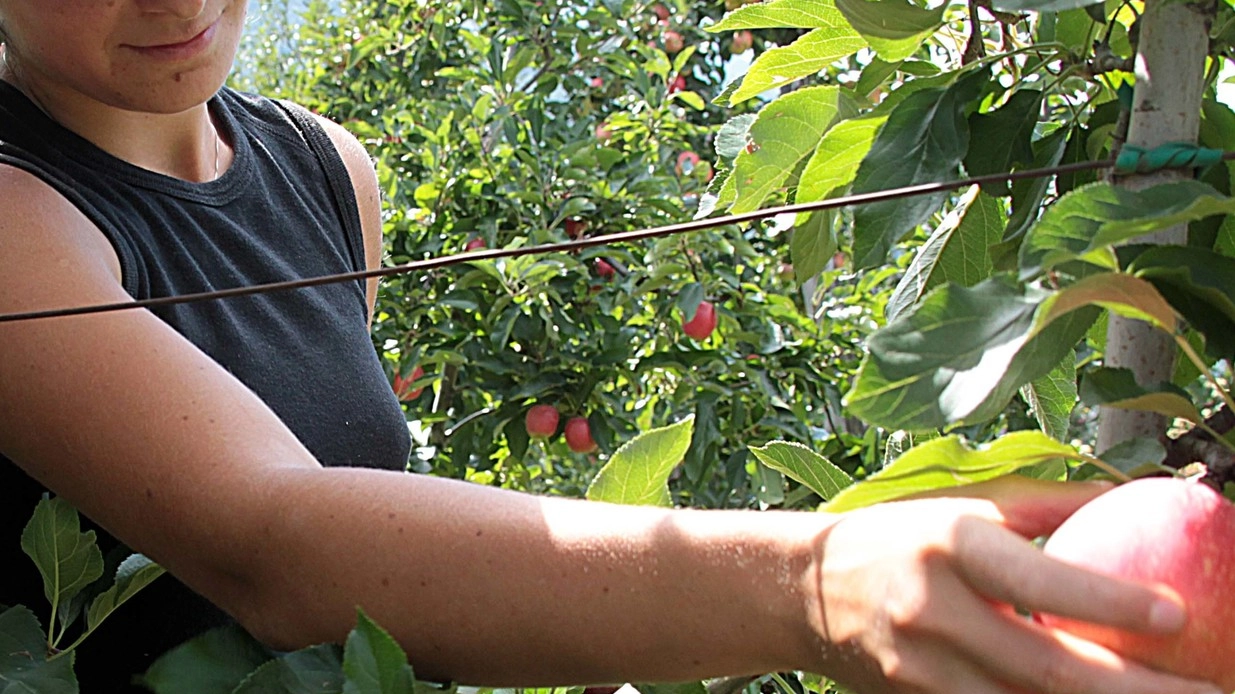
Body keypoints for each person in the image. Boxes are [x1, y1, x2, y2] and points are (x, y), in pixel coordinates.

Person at [0, 2, 1223, 693]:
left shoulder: (322, 167)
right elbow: (272, 540)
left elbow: (338, 497)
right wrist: (809, 584)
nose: (171, 3)